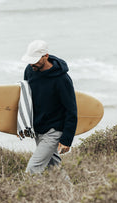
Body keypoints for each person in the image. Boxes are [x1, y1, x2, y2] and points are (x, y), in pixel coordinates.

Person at [21, 40, 77, 174]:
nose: (31, 63)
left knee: (32, 169)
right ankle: (69, 193)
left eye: (35, 60)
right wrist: (23, 126)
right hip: (38, 128)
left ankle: (28, 195)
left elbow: (71, 110)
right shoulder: (30, 70)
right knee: (54, 169)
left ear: (45, 56)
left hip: (54, 130)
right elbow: (25, 99)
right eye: (30, 60)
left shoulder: (62, 79)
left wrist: (66, 140)